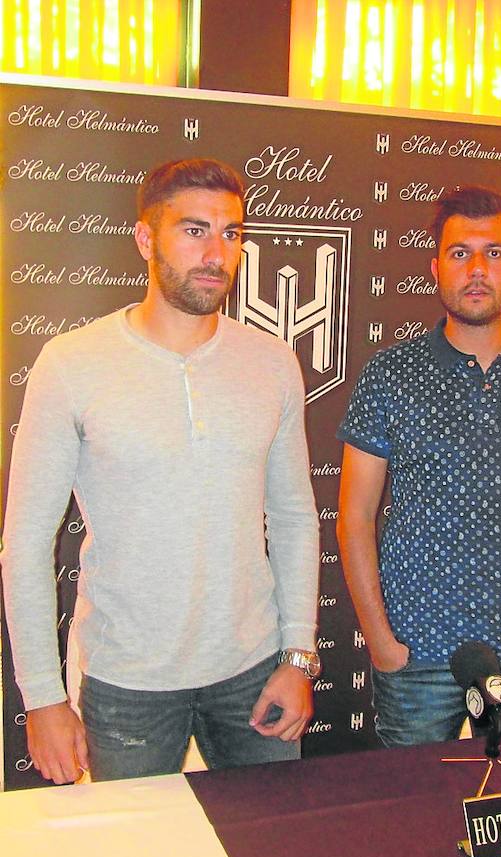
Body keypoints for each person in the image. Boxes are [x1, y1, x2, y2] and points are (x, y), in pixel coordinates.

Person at [2, 158, 321, 783]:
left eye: (231, 233)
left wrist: (299, 654)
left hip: (255, 671)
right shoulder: (72, 364)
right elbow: (27, 542)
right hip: (125, 681)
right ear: (146, 238)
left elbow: (292, 519)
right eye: (194, 230)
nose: (216, 253)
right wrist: (41, 697)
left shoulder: (272, 362)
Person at [336, 185, 501, 747]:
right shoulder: (390, 375)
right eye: (461, 253)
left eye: (495, 252)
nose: (478, 268)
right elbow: (355, 515)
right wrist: (382, 642)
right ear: (437, 268)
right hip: (414, 652)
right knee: (412, 816)